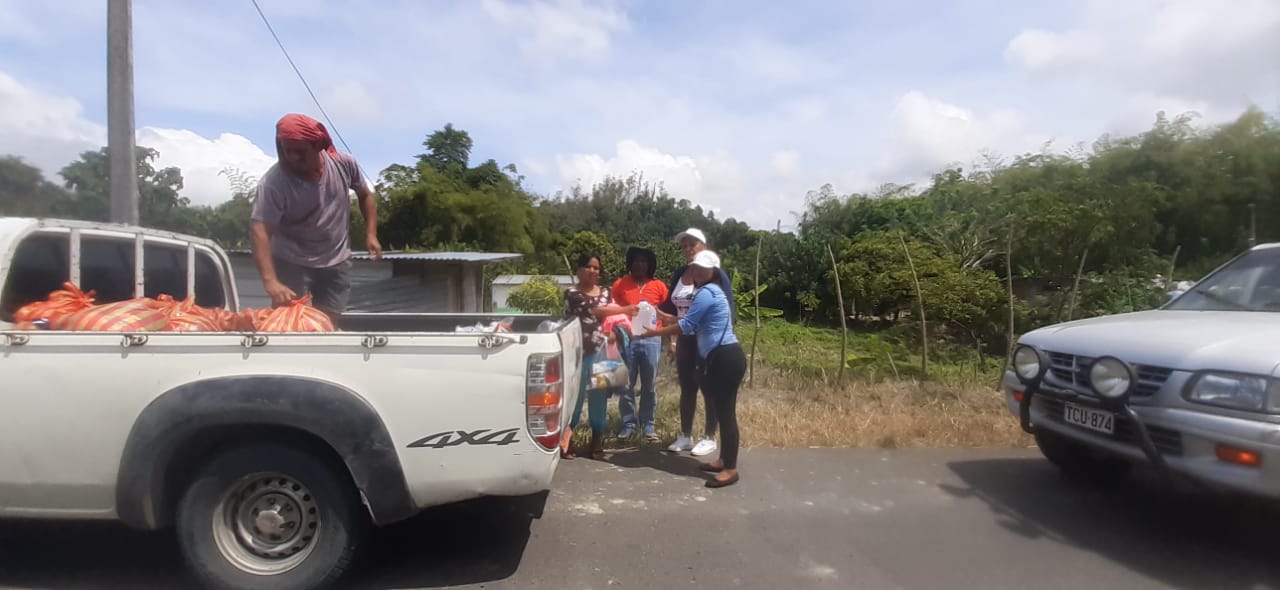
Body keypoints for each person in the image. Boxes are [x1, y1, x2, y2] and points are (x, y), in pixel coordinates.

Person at [250, 113, 383, 325]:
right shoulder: (274, 183)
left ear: (318, 146)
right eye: (287, 151)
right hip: (291, 261)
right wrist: (270, 280)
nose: (293, 157)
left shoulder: (343, 163)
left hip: (335, 258)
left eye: (300, 152)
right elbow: (260, 230)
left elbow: (365, 195)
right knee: (288, 322)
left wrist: (371, 234)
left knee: (328, 323)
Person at [637, 250, 745, 488]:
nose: (697, 271)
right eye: (695, 267)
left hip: (724, 357)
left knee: (726, 414)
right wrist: (666, 317)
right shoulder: (709, 292)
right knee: (722, 411)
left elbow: (687, 326)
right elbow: (690, 321)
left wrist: (655, 332)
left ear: (713, 272)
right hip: (723, 356)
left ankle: (730, 469)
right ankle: (724, 460)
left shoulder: (707, 292)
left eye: (703, 268)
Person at [658, 228, 735, 456]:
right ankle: (685, 435)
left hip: (707, 341)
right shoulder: (680, 273)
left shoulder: (715, 275)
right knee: (687, 387)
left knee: (708, 387)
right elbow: (671, 308)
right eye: (684, 246)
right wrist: (670, 339)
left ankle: (709, 437)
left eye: (693, 244)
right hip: (685, 339)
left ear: (704, 246)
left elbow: (728, 309)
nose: (688, 249)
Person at [561, 254, 636, 460]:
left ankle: (596, 441)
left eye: (596, 268)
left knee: (599, 397)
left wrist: (615, 332)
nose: (593, 271)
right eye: (589, 267)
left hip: (603, 351)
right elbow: (592, 311)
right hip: (577, 353)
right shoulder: (572, 293)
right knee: (574, 397)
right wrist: (626, 309)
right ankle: (567, 438)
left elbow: (615, 317)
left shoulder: (606, 292)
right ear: (579, 269)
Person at [610, 246, 670, 442]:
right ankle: (628, 424)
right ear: (630, 263)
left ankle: (647, 424)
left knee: (649, 384)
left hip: (652, 340)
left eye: (644, 261)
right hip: (628, 339)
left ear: (650, 264)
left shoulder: (659, 286)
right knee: (626, 384)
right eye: (636, 260)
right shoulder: (620, 285)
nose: (640, 264)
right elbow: (613, 311)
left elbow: (666, 315)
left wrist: (672, 341)